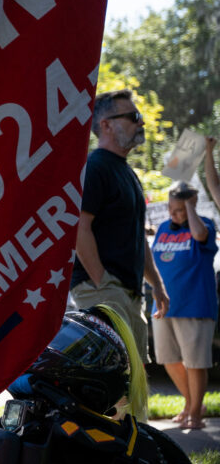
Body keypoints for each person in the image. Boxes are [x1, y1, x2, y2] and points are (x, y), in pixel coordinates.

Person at [70, 90, 169, 364]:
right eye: (133, 117)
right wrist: (102, 283)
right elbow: (79, 228)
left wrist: (157, 286)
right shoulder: (95, 167)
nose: (142, 123)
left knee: (133, 377)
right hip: (103, 287)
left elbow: (138, 239)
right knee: (116, 374)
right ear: (106, 125)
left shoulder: (128, 173)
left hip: (130, 291)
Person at [150, 181, 217, 430]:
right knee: (168, 360)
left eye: (179, 209)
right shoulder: (163, 228)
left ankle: (195, 415)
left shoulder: (204, 226)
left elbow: (199, 236)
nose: (173, 214)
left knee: (195, 363)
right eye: (171, 208)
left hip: (195, 306)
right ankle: (191, 405)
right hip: (164, 306)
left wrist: (190, 209)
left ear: (191, 206)